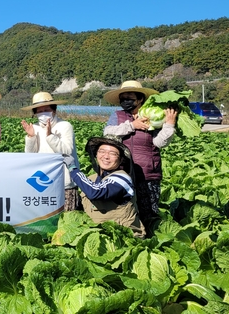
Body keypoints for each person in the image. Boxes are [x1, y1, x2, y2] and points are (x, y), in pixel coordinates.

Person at [102, 80, 177, 229]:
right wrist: (132, 126)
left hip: (147, 173)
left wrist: (169, 124)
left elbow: (160, 142)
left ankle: (151, 242)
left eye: (129, 97)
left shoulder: (153, 116)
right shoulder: (118, 116)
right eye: (123, 98)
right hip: (122, 172)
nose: (125, 101)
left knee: (148, 213)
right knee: (124, 212)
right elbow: (107, 134)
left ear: (140, 99)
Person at [64, 136, 146, 238]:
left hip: (123, 238)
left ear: (120, 160)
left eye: (112, 153)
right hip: (96, 235)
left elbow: (95, 192)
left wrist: (73, 169)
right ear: (96, 154)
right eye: (102, 151)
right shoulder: (92, 178)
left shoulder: (122, 178)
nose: (106, 156)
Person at [20, 92, 80, 211]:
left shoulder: (64, 126)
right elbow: (30, 156)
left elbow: (67, 151)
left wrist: (50, 136)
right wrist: (31, 137)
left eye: (46, 109)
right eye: (39, 111)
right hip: (42, 181)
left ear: (54, 110)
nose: (43, 114)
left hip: (64, 182)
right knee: (46, 219)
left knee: (67, 218)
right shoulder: (35, 128)